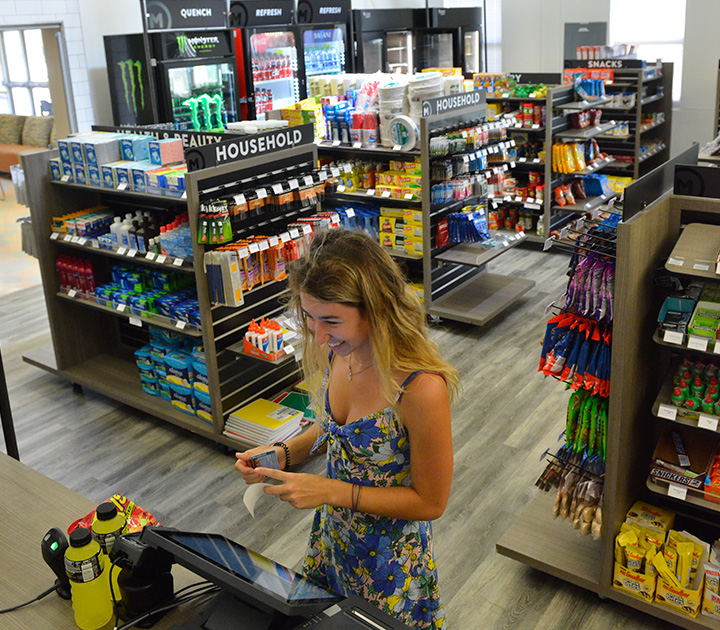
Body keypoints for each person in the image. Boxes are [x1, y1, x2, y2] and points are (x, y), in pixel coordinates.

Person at [235, 228, 459, 630]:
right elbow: (332, 429)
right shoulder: (342, 350)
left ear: (375, 309)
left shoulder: (420, 388)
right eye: (309, 317)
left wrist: (331, 491)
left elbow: (431, 502)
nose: (318, 335)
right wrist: (282, 454)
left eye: (332, 320)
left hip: (390, 565)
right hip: (333, 542)